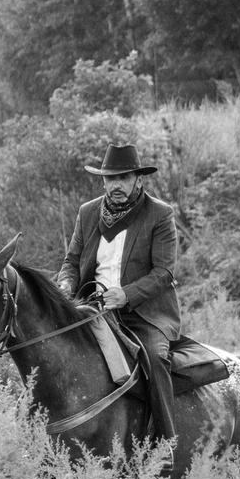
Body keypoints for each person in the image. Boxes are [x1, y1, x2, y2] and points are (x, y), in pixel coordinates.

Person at [57, 142, 182, 445]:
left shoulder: (159, 214)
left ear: (139, 180)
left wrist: (125, 295)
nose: (116, 185)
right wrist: (65, 285)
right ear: (103, 181)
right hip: (92, 309)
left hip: (144, 313)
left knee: (155, 357)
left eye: (124, 178)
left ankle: (167, 442)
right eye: (111, 179)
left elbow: (164, 272)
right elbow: (72, 262)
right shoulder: (88, 213)